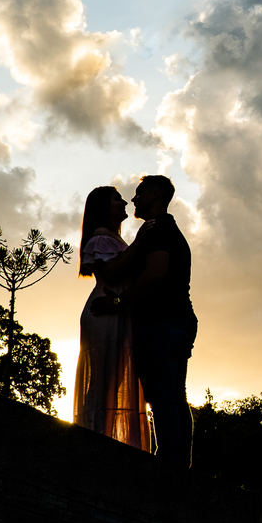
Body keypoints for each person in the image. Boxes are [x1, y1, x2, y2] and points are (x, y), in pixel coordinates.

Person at [92, 175, 197, 467]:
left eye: (139, 194)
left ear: (154, 194)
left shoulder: (159, 229)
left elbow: (156, 273)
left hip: (162, 323)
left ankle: (169, 466)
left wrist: (117, 303)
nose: (133, 199)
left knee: (163, 397)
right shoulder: (156, 231)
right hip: (175, 321)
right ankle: (179, 464)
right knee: (174, 396)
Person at [72, 186, 153, 450]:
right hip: (105, 311)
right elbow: (113, 273)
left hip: (118, 311)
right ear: (104, 207)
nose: (124, 202)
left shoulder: (114, 239)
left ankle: (106, 439)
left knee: (114, 380)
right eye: (117, 198)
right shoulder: (99, 238)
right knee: (103, 378)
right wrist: (140, 244)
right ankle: (93, 439)